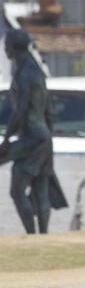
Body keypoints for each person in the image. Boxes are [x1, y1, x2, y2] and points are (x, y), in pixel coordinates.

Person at [0, 29, 66, 233]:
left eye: (6, 44)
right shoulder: (35, 70)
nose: (4, 48)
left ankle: (31, 235)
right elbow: (48, 110)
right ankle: (42, 237)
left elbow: (20, 112)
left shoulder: (25, 73)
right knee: (40, 187)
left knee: (17, 190)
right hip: (42, 135)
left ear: (13, 47)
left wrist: (6, 139)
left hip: (32, 137)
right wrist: (49, 138)